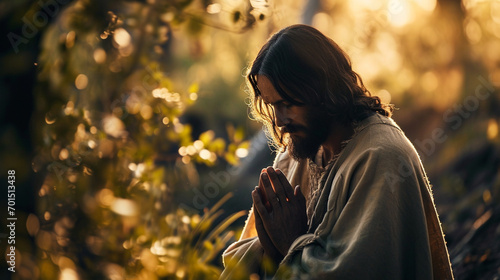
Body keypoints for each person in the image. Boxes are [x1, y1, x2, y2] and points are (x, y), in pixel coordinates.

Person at [220, 24, 454, 279]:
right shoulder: (295, 155)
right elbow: (244, 262)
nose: (278, 120)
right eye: (272, 105)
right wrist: (269, 245)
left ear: (322, 89)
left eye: (286, 103)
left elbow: (360, 272)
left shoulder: (382, 158)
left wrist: (290, 242)